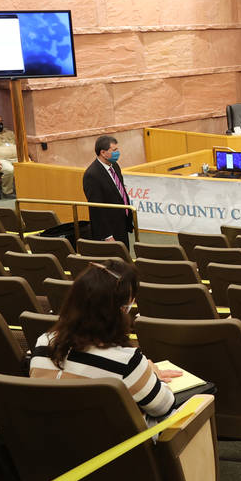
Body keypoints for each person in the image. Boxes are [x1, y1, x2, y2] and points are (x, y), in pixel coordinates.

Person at [30, 260, 181, 420]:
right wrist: (151, 375)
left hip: (52, 439)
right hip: (117, 443)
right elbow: (164, 407)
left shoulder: (43, 343)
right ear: (120, 311)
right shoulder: (127, 361)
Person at [82, 134, 133, 248]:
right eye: (114, 150)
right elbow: (96, 209)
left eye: (117, 149)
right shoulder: (92, 175)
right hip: (108, 232)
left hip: (121, 224)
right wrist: (107, 236)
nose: (117, 152)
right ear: (103, 153)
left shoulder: (114, 166)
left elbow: (120, 192)